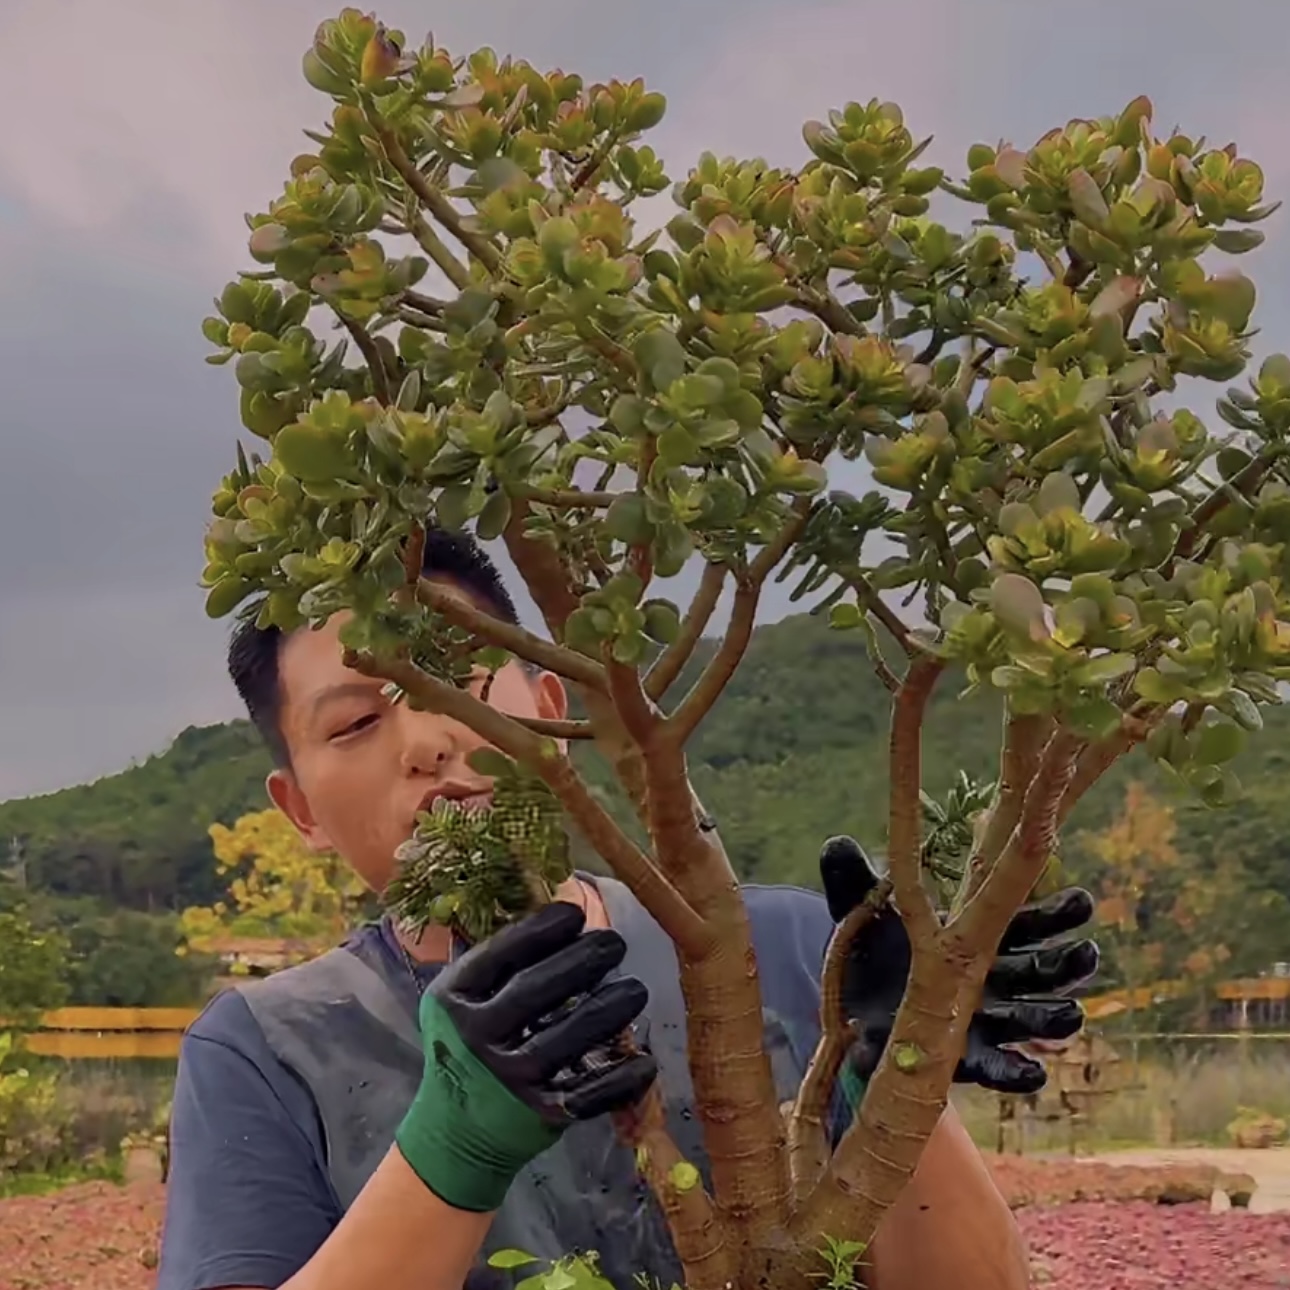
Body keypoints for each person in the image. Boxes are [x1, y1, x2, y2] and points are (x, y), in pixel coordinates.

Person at [156, 527, 1099, 1290]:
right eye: (357, 722)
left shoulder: (798, 950)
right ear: (300, 810)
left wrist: (897, 1078)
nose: (432, 738)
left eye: (466, 677)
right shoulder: (267, 1049)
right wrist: (452, 1150)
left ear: (556, 702)